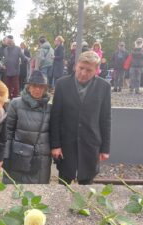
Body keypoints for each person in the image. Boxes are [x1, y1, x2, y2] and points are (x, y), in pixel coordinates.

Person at [50, 51, 111, 185]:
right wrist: (55, 145)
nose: (83, 73)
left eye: (89, 70)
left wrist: (105, 148)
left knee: (87, 184)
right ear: (75, 66)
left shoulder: (104, 87)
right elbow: (55, 117)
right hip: (66, 144)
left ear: (96, 70)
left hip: (91, 144)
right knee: (64, 184)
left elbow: (105, 119)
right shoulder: (62, 84)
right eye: (81, 68)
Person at [3, 70, 52, 184]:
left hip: (41, 158)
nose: (37, 90)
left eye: (41, 87)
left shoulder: (50, 108)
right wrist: (5, 155)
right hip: (18, 156)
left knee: (39, 195)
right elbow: (8, 131)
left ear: (45, 89)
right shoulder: (15, 104)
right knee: (14, 192)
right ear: (29, 86)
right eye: (34, 86)